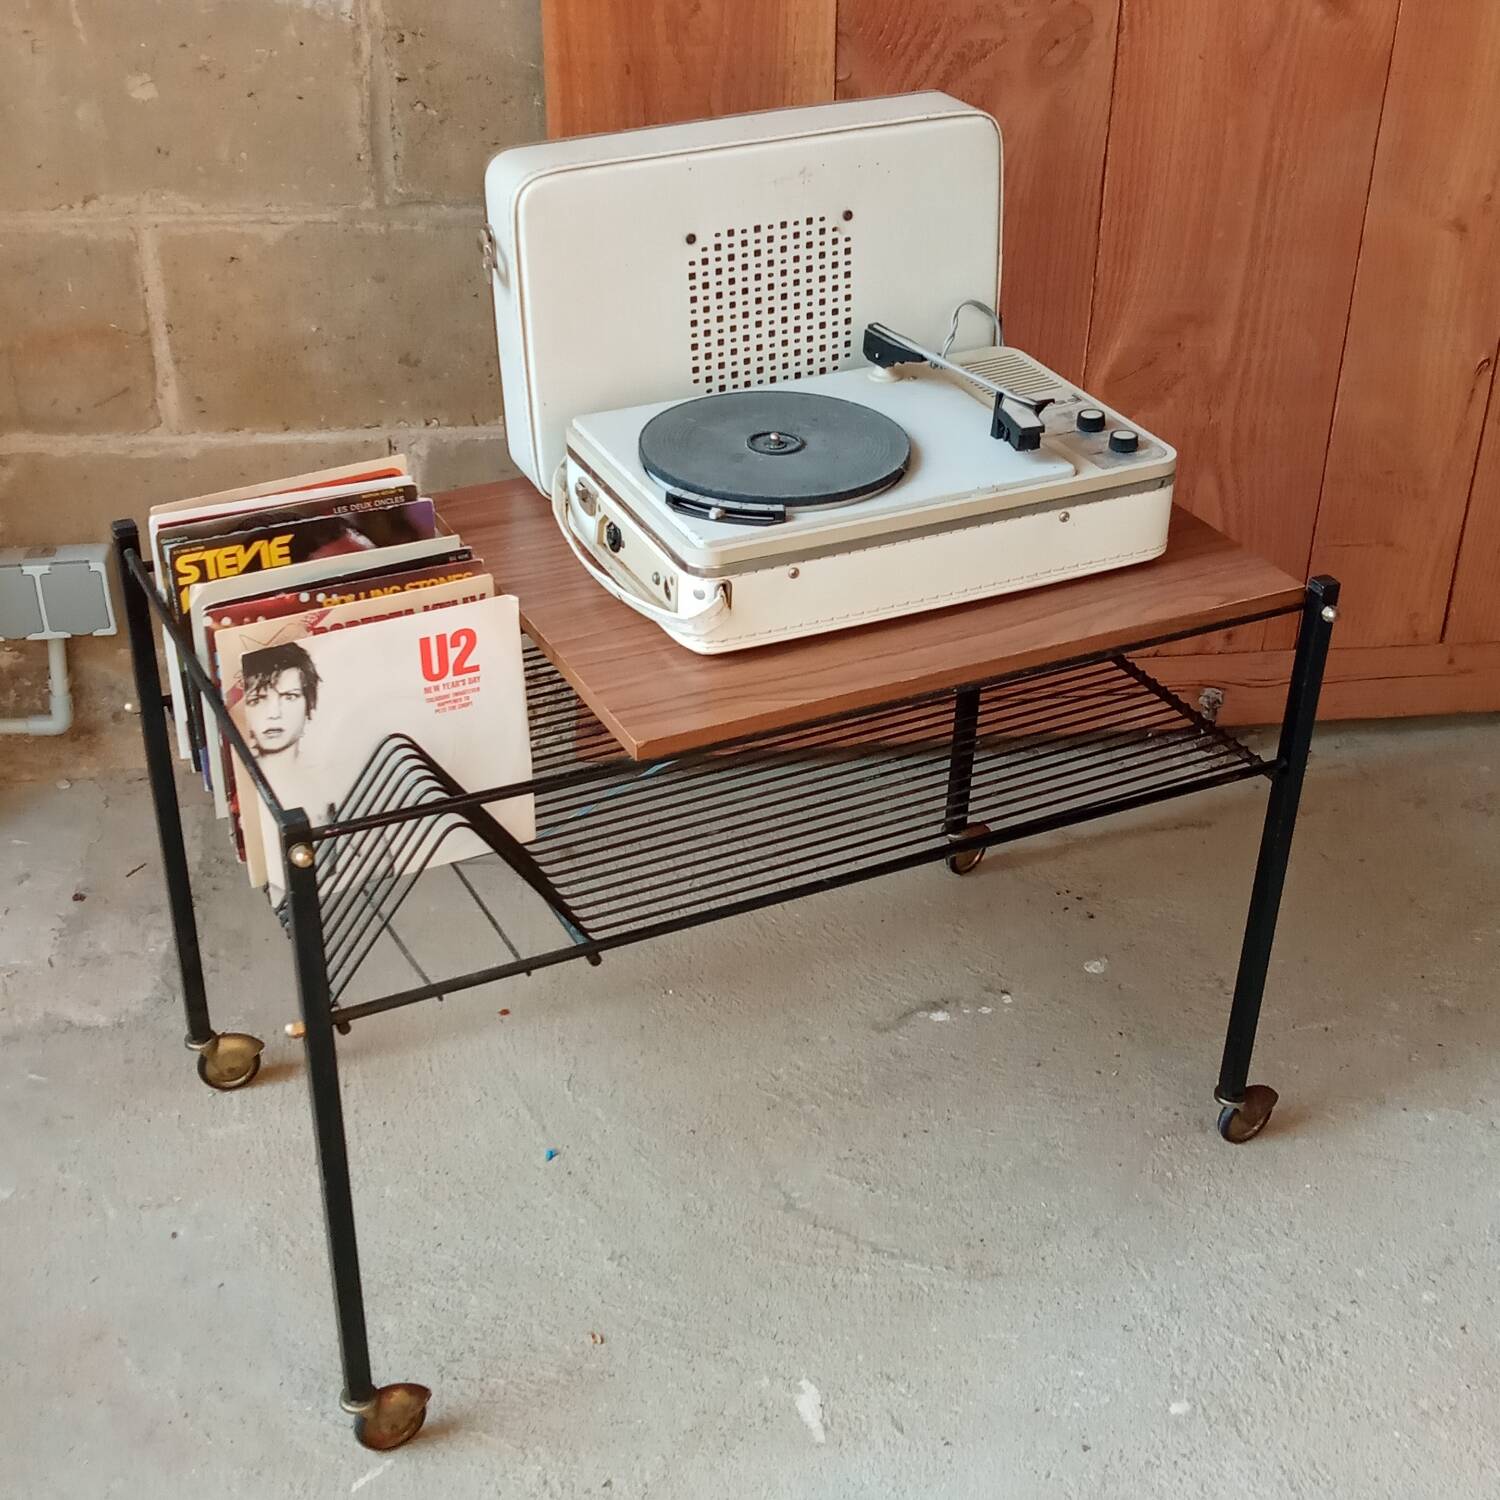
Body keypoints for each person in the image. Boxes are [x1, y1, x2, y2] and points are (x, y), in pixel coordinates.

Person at [241, 642, 336, 824]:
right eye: (258, 700)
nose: (274, 714)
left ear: (309, 705)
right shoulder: (242, 786)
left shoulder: (331, 783)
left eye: (289, 697)